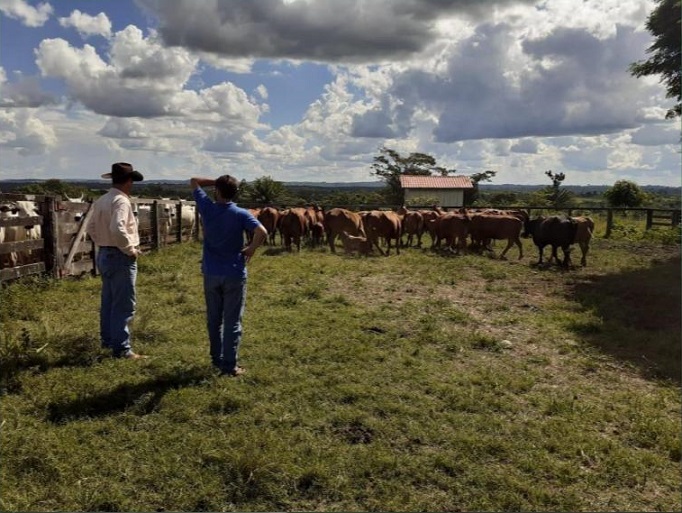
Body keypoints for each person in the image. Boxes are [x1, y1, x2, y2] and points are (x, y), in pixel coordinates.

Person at [190, 175, 267, 376]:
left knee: (213, 319)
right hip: (234, 272)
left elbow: (194, 181)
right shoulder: (240, 213)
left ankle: (216, 359)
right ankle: (229, 365)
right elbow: (262, 232)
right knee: (232, 321)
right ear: (235, 193)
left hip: (211, 272)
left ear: (217, 191)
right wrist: (251, 248)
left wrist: (216, 181)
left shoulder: (207, 207)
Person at [86, 162, 146, 359]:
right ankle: (122, 349)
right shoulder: (121, 201)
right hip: (120, 256)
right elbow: (117, 227)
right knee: (123, 303)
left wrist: (103, 242)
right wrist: (129, 249)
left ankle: (108, 340)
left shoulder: (102, 200)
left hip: (104, 253)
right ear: (129, 181)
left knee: (109, 300)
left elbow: (91, 227)